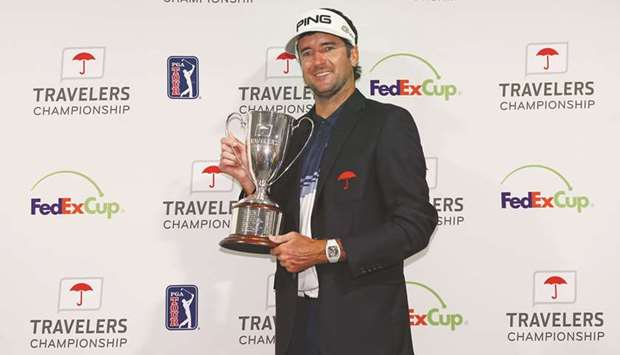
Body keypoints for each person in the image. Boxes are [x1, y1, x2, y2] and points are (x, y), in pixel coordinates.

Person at [219, 8, 437, 355]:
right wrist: (251, 184)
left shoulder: (387, 123)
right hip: (297, 324)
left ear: (353, 54)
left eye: (329, 47)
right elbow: (285, 232)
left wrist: (326, 250)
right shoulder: (292, 134)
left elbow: (415, 225)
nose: (317, 60)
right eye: (306, 52)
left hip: (365, 327)